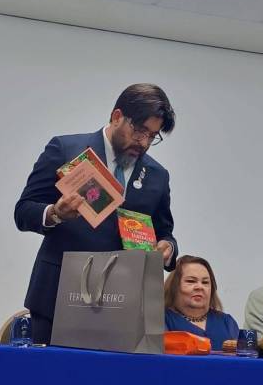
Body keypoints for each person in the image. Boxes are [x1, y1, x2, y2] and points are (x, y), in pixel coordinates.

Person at [15, 83, 178, 344]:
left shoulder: (158, 175)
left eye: (152, 136)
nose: (144, 142)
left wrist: (168, 247)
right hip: (58, 296)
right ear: (117, 116)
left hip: (122, 306)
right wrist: (55, 213)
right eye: (139, 131)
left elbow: (164, 231)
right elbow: (23, 211)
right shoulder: (66, 150)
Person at [164, 255, 239, 350]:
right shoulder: (162, 320)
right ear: (174, 287)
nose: (200, 287)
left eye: (205, 282)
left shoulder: (227, 322)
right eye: (191, 281)